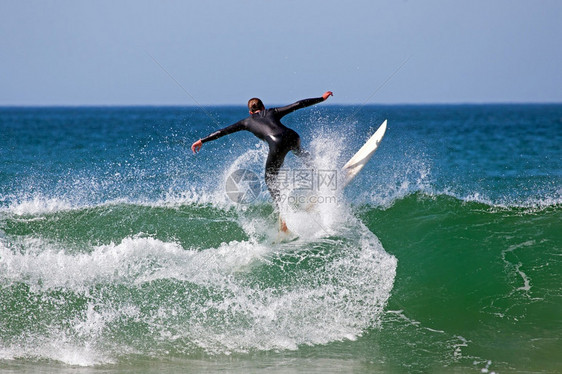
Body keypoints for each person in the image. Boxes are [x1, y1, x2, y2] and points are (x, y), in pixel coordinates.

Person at [191, 91, 333, 232]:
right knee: (301, 153)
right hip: (292, 135)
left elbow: (223, 131)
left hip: (276, 144)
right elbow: (297, 104)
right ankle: (322, 174)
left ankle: (283, 217)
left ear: (250, 112)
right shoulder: (272, 112)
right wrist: (321, 98)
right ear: (263, 107)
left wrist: (202, 140)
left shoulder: (246, 122)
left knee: (270, 179)